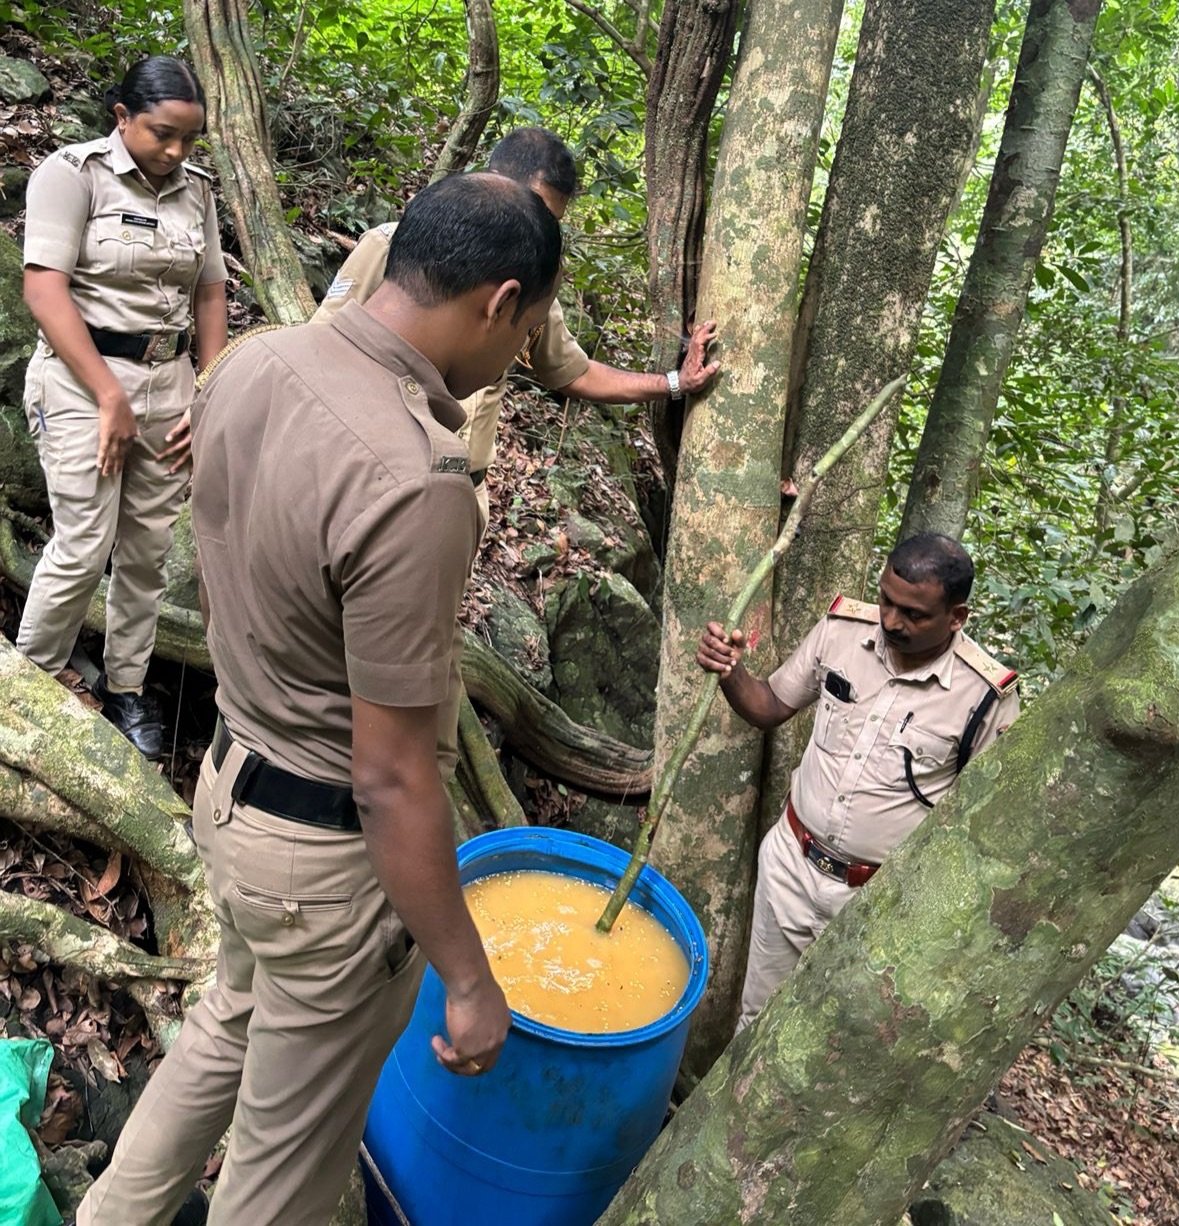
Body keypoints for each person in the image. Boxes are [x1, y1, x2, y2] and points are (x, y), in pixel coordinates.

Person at [75, 172, 563, 1225]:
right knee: (282, 1169)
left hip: (230, 789)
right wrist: (468, 979)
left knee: (225, 1027)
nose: (517, 355)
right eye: (527, 332)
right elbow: (392, 778)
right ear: (498, 303)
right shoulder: (419, 480)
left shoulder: (254, 361)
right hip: (326, 862)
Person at [312, 126, 721, 522]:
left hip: (463, 491)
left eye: (552, 221)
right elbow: (325, 347)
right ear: (494, 182)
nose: (540, 229)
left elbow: (573, 372)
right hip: (378, 482)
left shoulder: (532, 288)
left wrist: (674, 382)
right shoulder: (400, 246)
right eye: (535, 207)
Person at [696, 533, 1020, 1029]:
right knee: (757, 1019)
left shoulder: (984, 696)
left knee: (836, 1035)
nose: (891, 620)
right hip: (791, 863)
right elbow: (769, 705)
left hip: (879, 900)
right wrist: (729, 670)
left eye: (913, 614)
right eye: (887, 600)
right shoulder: (842, 630)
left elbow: (986, 829)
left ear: (957, 617)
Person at [18, 55, 228, 759]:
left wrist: (207, 389)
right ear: (122, 117)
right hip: (83, 382)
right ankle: (32, 679)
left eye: (189, 139)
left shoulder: (198, 190)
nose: (175, 151)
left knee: (145, 552)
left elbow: (209, 294)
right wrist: (109, 396)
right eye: (163, 134)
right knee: (83, 543)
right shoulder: (72, 174)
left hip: (170, 384)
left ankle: (127, 685)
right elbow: (44, 289)